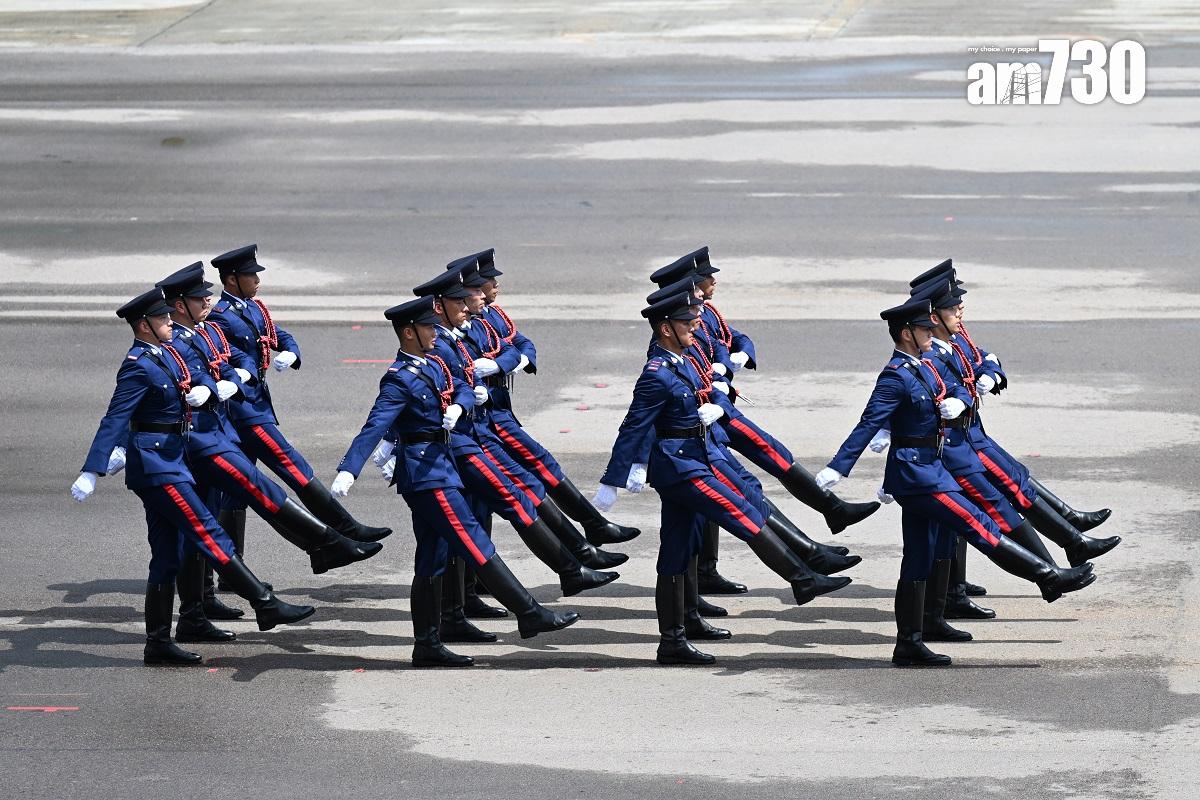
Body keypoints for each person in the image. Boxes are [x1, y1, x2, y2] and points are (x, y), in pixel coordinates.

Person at [815, 297, 1097, 667]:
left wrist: (961, 401)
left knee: (919, 556)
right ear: (906, 334)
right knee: (976, 522)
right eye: (924, 331)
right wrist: (839, 467)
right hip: (919, 477)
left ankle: (911, 641)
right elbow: (869, 424)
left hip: (930, 468)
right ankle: (1047, 576)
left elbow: (957, 389)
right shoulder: (895, 377)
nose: (931, 335)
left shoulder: (924, 368)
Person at [595, 291, 850, 665]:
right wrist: (613, 479)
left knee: (676, 552)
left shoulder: (681, 361)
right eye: (687, 323)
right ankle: (802, 578)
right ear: (666, 329)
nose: (695, 326)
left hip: (690, 461)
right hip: (680, 469)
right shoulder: (656, 374)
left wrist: (715, 403)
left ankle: (673, 640)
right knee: (743, 513)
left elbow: (701, 389)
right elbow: (634, 426)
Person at [71, 287, 315, 666]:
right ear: (144, 326)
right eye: (163, 318)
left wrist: (207, 387)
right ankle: (264, 604)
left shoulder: (166, 353)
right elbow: (116, 417)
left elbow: (196, 375)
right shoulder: (137, 364)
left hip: (172, 459)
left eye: (170, 315)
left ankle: (157, 643)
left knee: (167, 556)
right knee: (206, 530)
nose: (170, 321)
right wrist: (94, 468)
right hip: (157, 468)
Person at [331, 296, 579, 667]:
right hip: (425, 475)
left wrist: (459, 406)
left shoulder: (431, 362)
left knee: (433, 556)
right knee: (472, 539)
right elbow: (375, 425)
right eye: (428, 327)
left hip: (441, 466)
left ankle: (427, 644)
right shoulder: (398, 379)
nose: (435, 332)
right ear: (409, 332)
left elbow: (461, 383)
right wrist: (349, 469)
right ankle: (528, 612)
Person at [156, 263, 383, 639]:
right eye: (199, 298)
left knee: (214, 514)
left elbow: (239, 356)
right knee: (256, 489)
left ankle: (201, 605)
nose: (207, 300)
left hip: (224, 425)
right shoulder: (179, 342)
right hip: (204, 437)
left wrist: (239, 376)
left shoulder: (209, 327)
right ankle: (330, 541)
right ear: (181, 305)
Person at [649, 250, 875, 595]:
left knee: (761, 464)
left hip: (716, 412)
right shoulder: (675, 334)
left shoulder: (702, 315)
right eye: (705, 279)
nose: (713, 282)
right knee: (736, 494)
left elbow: (731, 338)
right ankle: (807, 551)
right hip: (703, 424)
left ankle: (815, 535)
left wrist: (735, 359)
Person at [906, 261, 1120, 619]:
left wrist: (987, 377)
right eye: (952, 307)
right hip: (958, 447)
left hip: (968, 440)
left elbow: (986, 359)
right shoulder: (929, 353)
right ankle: (1057, 560)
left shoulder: (953, 342)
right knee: (995, 505)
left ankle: (960, 592)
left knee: (989, 504)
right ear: (932, 315)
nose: (961, 311)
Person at [206, 244, 391, 584]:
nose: (257, 280)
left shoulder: (253, 307)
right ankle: (345, 529)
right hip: (242, 408)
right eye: (250, 275)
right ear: (231, 280)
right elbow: (231, 356)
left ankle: (231, 575)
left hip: (256, 402)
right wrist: (245, 374)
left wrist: (291, 351)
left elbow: (278, 335)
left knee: (235, 492)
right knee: (290, 463)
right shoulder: (221, 316)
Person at [447, 249, 641, 548]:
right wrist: (506, 360)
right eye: (486, 284)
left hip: (499, 408)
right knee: (524, 478)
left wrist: (503, 363)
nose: (494, 289)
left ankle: (591, 532)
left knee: (525, 477)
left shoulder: (491, 315)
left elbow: (520, 345)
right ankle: (588, 536)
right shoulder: (462, 326)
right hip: (487, 417)